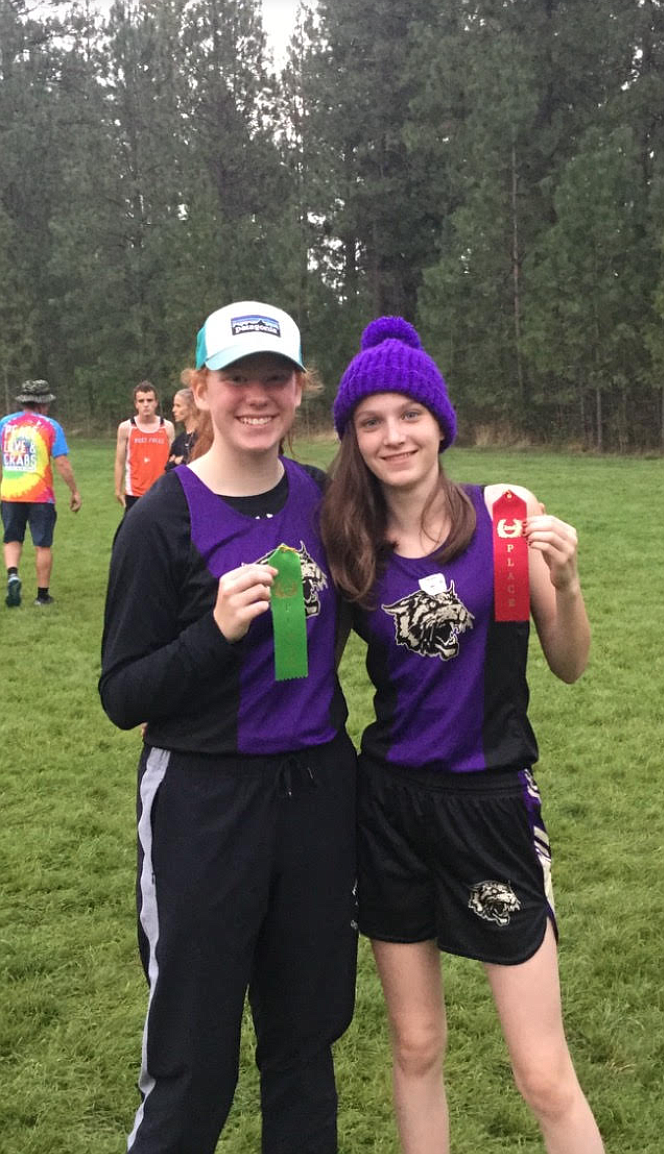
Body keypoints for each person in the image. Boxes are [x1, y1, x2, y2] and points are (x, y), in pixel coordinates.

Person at [320, 316, 604, 1154]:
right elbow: (300, 668)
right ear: (353, 438)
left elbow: (569, 662)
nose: (392, 435)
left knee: (543, 1073)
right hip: (393, 808)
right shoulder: (351, 545)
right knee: (414, 1046)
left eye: (408, 413)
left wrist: (570, 581)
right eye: (370, 421)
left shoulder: (503, 518)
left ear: (440, 421)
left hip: (489, 806)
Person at [99, 300, 357, 1154]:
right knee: (193, 1057)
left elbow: (422, 540)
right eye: (236, 379)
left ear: (299, 388)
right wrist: (213, 634)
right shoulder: (159, 521)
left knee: (304, 1044)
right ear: (198, 390)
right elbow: (123, 693)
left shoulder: (324, 498)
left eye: (275, 378)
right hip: (204, 805)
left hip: (318, 795)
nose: (257, 396)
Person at [1, 378, 82, 607]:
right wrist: (74, 491)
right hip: (40, 495)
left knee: (12, 538)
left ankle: (13, 574)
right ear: (43, 404)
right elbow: (62, 463)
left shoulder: (5, 424)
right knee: (42, 544)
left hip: (10, 493)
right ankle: (42, 595)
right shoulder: (50, 426)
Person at [114, 381, 174, 510]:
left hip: (161, 491)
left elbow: (174, 462)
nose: (146, 405)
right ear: (136, 404)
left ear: (156, 402)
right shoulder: (126, 427)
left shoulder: (167, 427)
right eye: (141, 401)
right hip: (134, 493)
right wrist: (118, 490)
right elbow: (119, 461)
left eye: (149, 400)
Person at [164, 383, 198, 471]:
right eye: (174, 405)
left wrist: (181, 460)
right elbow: (168, 469)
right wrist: (176, 461)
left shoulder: (203, 437)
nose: (173, 410)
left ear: (191, 408)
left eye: (178, 406)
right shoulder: (179, 440)